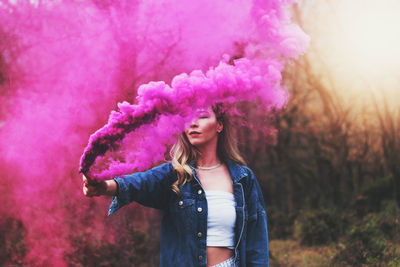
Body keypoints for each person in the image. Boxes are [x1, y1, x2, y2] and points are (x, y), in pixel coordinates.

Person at [82, 104, 269, 267]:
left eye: (202, 116)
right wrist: (105, 186)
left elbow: (256, 242)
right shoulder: (174, 175)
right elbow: (139, 183)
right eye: (188, 118)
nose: (193, 123)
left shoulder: (243, 178)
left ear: (219, 125)